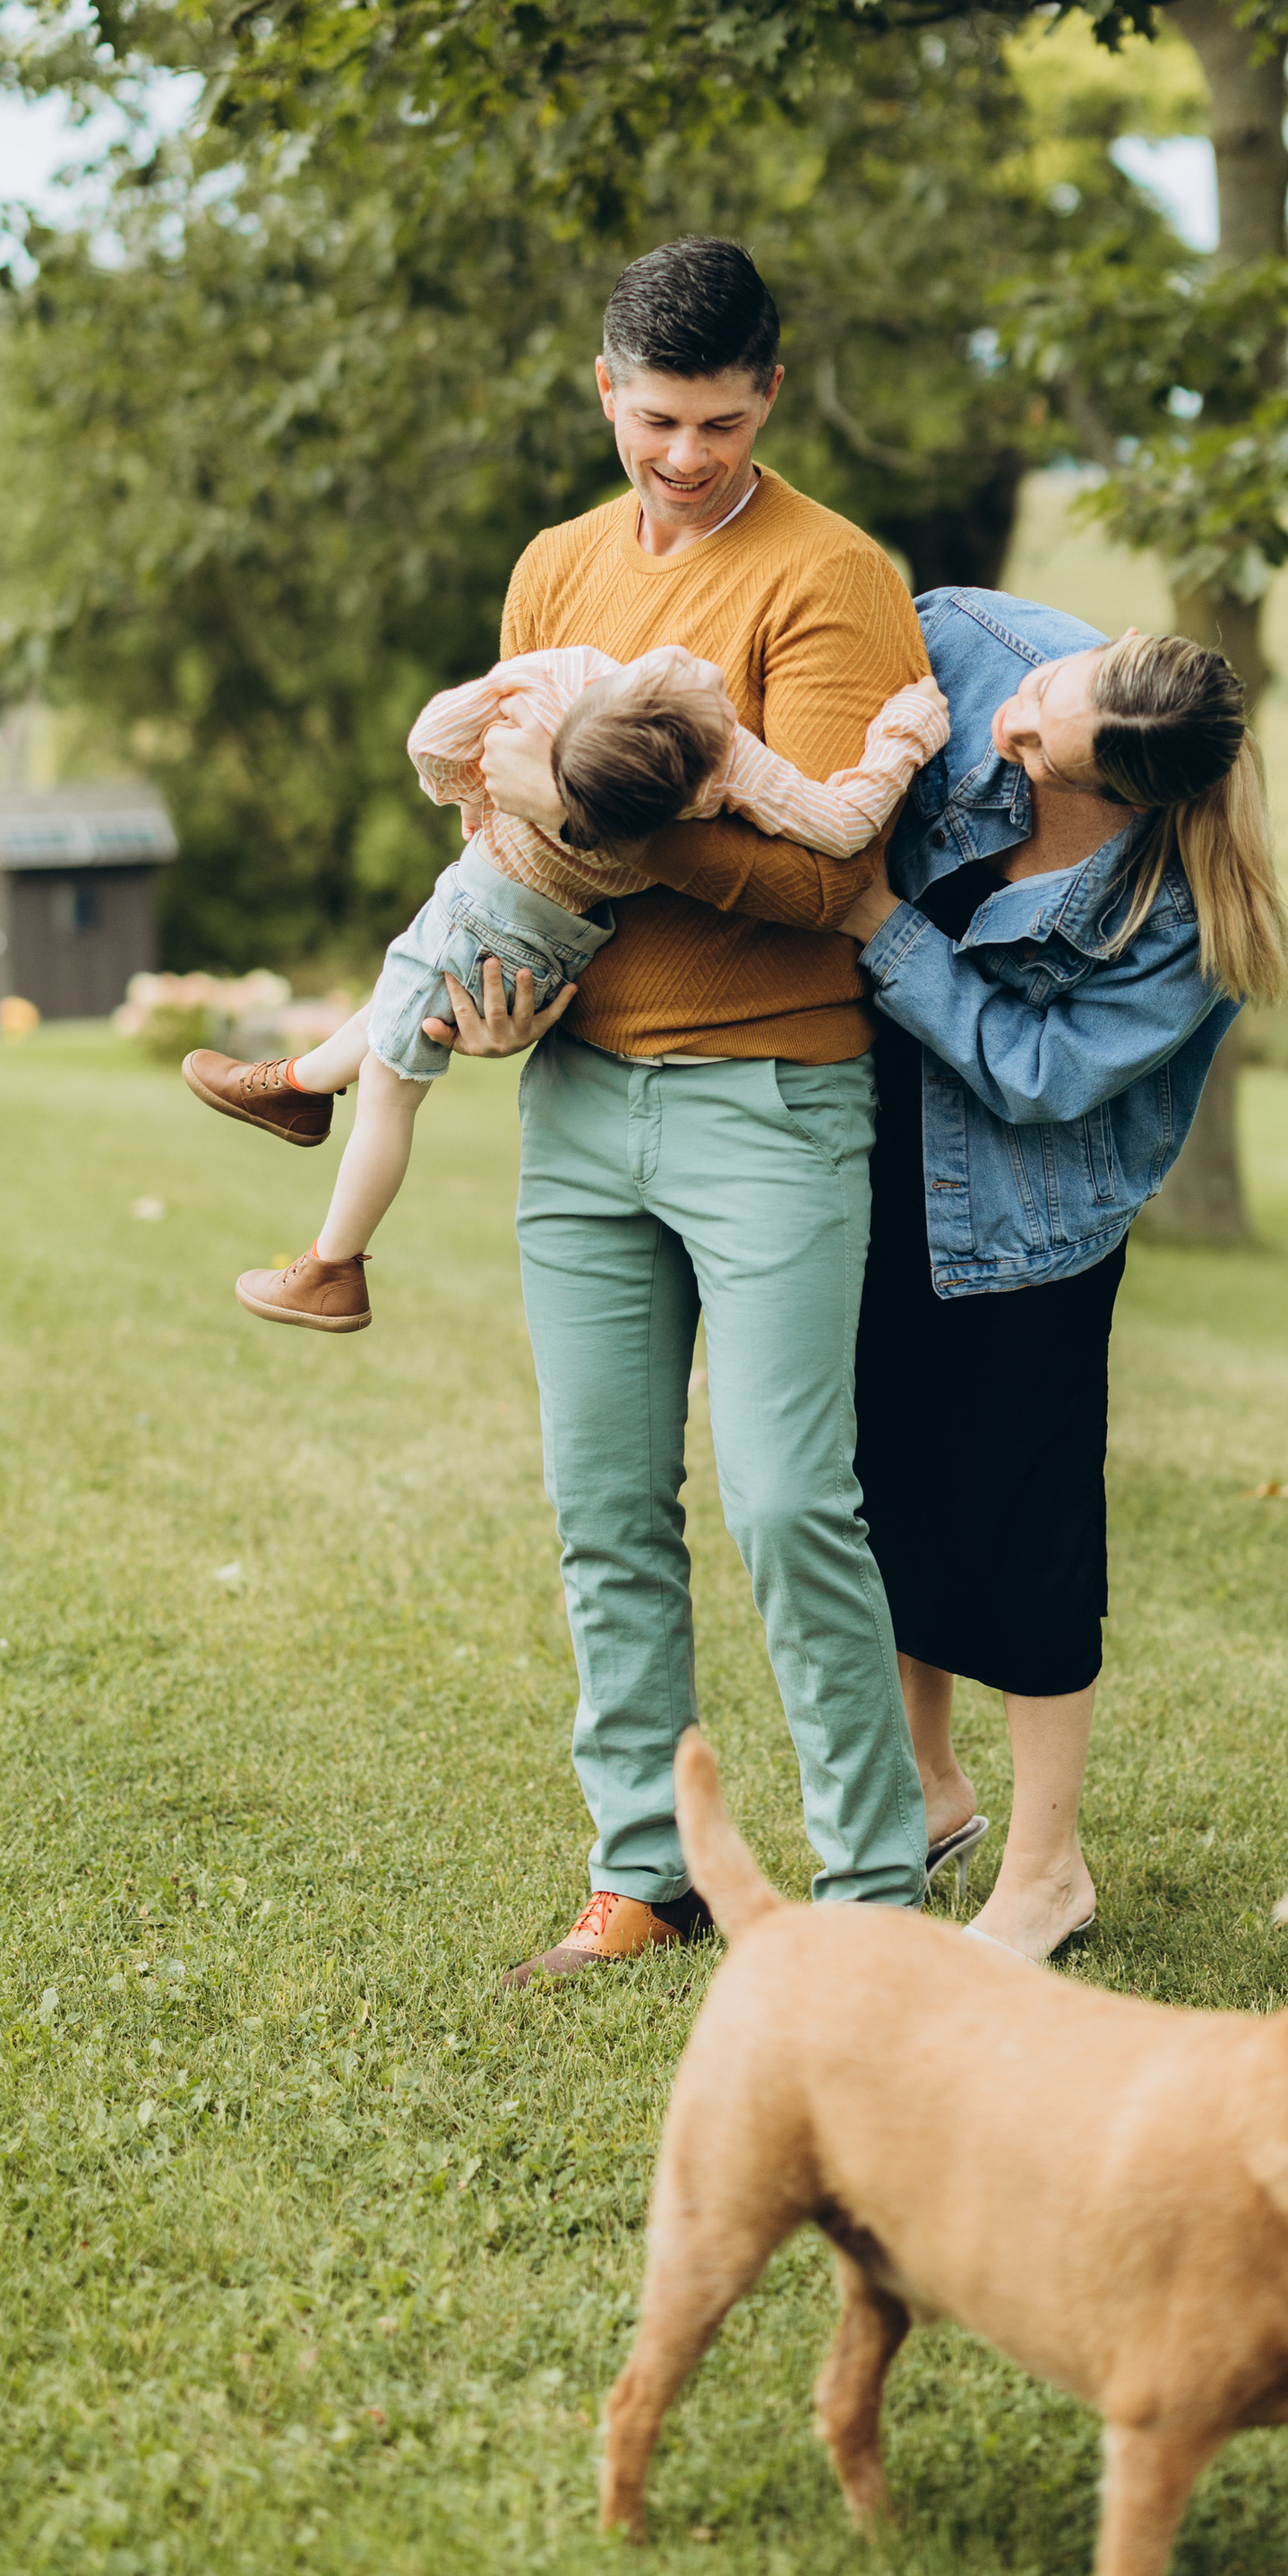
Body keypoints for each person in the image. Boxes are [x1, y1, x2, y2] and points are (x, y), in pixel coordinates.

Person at [424, 237, 944, 1986]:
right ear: (605, 392)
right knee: (603, 1504)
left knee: (788, 1504)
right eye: (656, 420)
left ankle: (870, 1895)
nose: (687, 457)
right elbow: (505, 833)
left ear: (769, 395)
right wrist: (496, 984)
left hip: (773, 1100)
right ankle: (641, 1872)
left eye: (721, 422)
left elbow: (833, 879)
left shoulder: (829, 576)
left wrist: (626, 837)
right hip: (578, 1097)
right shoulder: (553, 566)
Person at [835, 586, 1288, 1962]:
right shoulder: (975, 643)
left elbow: (1037, 1074)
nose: (1014, 734)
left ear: (1132, 799)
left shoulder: (1188, 917)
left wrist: (880, 923)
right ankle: (926, 1795)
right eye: (1042, 703)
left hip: (1028, 1216)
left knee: (1025, 1529)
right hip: (876, 1145)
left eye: (1045, 753)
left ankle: (1047, 1877)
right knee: (881, 1484)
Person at [181, 642, 945, 1331]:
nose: (708, 670)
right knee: (397, 1005)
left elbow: (435, 739)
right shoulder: (720, 770)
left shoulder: (566, 678)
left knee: (389, 1086)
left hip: (481, 909)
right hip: (557, 939)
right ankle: (296, 1086)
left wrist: (469, 800)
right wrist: (906, 734)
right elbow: (843, 825)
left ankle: (332, 1269)